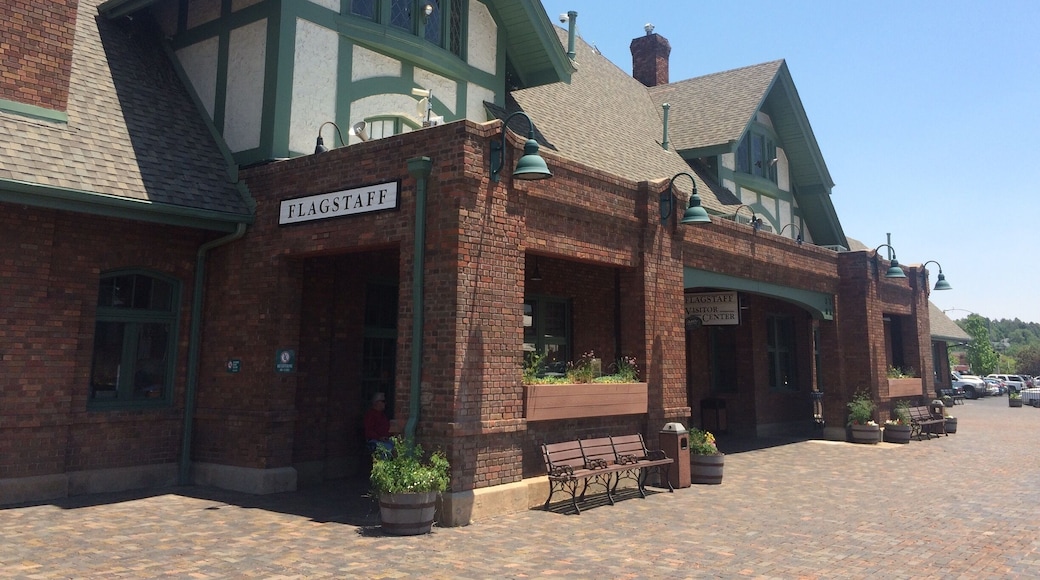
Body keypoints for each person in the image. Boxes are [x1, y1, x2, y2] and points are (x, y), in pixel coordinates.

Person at [363, 392, 393, 456]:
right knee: (388, 448)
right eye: (383, 401)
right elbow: (369, 431)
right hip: (374, 441)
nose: (385, 403)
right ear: (377, 402)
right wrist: (379, 437)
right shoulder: (371, 415)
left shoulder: (383, 415)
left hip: (384, 440)